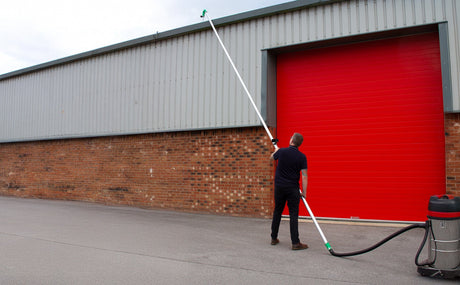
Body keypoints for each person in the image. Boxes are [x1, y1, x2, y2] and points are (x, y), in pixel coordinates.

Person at [270, 133, 308, 250]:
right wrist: (304, 193)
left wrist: (276, 151)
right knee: (293, 215)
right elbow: (304, 176)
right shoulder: (302, 157)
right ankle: (295, 243)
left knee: (277, 212)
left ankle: (273, 238)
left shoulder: (282, 152)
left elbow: (271, 158)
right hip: (293, 189)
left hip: (280, 187)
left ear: (291, 140)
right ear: (299, 144)